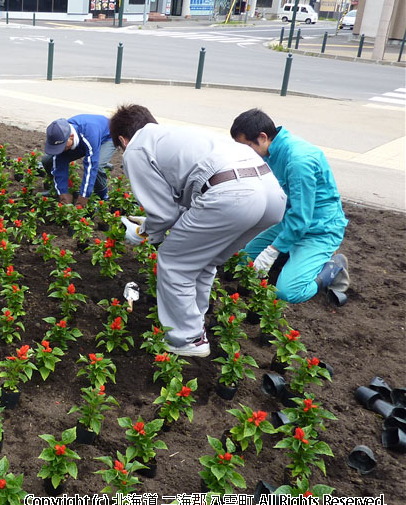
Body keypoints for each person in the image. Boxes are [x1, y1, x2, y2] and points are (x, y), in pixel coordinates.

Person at [110, 105, 286, 357]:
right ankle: (195, 322)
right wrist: (151, 224)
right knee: (203, 260)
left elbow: (164, 214)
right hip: (269, 193)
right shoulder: (171, 136)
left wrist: (142, 233)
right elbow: (185, 208)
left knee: (174, 261)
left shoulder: (135, 148)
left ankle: (187, 339)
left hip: (232, 193)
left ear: (122, 140)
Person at [230, 109, 349, 305]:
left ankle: (333, 268)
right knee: (242, 264)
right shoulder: (270, 151)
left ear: (262, 137)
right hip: (289, 222)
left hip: (319, 229)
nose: (245, 152)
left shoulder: (298, 161)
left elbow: (302, 219)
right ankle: (291, 256)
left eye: (247, 146)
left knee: (288, 292)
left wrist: (273, 249)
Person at [42, 115, 115, 207]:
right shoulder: (60, 133)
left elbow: (91, 167)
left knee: (98, 165)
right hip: (81, 141)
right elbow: (59, 164)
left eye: (62, 146)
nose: (60, 149)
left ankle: (103, 196)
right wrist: (63, 196)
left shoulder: (89, 134)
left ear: (71, 137)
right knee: (48, 160)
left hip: (107, 137)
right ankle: (65, 189)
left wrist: (82, 201)